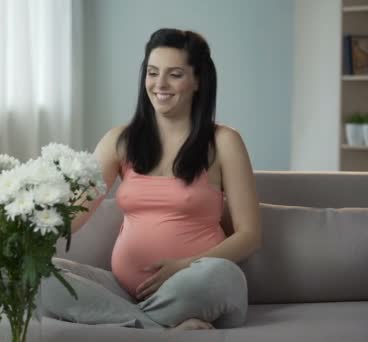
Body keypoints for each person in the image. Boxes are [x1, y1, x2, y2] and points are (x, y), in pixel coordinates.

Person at [42, 28, 261, 331]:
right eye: (152, 72)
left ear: (198, 80)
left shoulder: (224, 141)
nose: (160, 84)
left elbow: (249, 235)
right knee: (33, 275)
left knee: (223, 275)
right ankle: (160, 327)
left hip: (196, 287)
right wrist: (22, 228)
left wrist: (185, 266)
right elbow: (76, 212)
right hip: (124, 291)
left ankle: (127, 324)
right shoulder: (119, 141)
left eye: (174, 74)